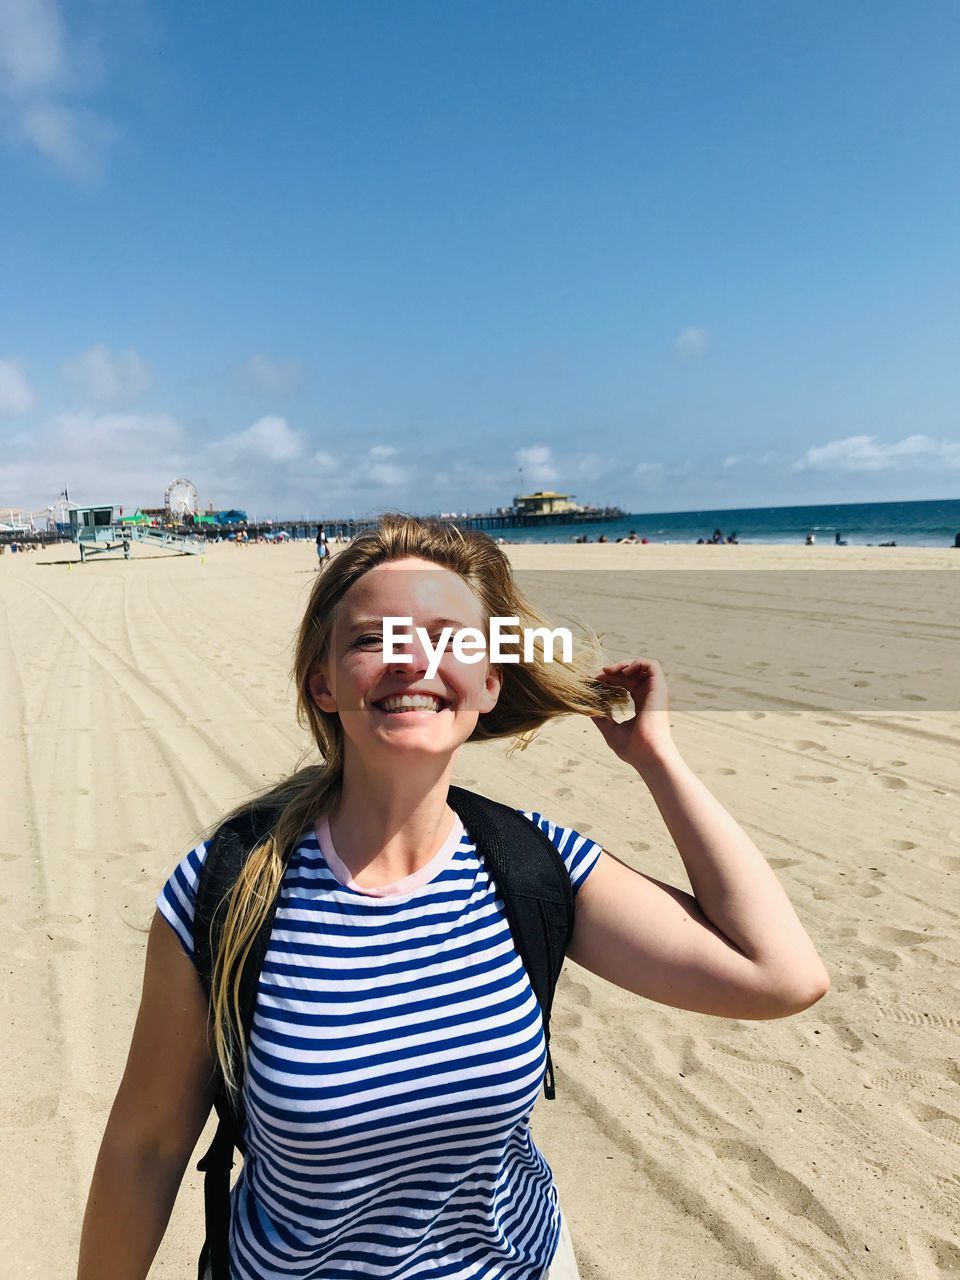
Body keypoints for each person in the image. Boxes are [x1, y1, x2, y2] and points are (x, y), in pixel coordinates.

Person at [77, 515, 829, 1280]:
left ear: (490, 679)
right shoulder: (229, 887)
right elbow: (146, 1147)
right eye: (373, 639)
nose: (413, 660)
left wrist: (658, 760)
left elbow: (780, 976)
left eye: (452, 639)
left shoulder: (534, 865)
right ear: (324, 683)